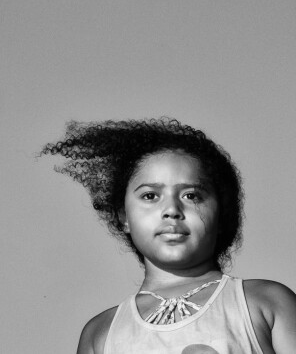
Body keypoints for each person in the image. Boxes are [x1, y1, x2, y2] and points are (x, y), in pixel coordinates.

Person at [39, 117, 296, 353]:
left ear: (221, 212)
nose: (172, 210)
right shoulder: (100, 334)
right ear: (124, 217)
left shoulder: (265, 302)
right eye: (150, 196)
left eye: (191, 195)